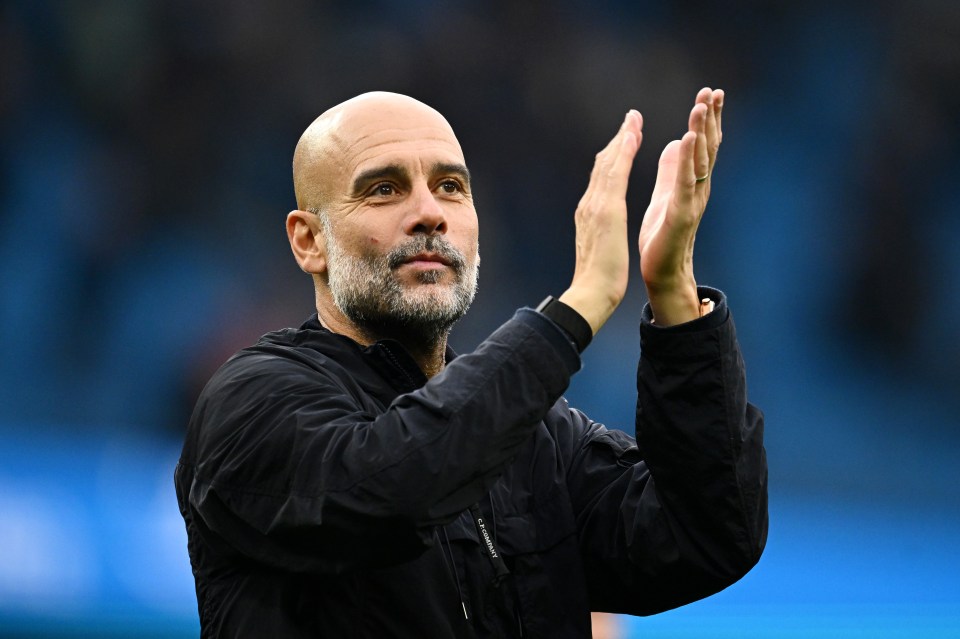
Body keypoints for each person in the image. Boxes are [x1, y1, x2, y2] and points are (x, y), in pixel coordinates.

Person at [175, 89, 767, 638]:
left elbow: (709, 535)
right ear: (310, 241)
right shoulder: (249, 401)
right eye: (384, 189)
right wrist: (579, 304)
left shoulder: (536, 439)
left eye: (451, 186)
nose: (429, 213)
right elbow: (394, 489)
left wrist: (674, 296)